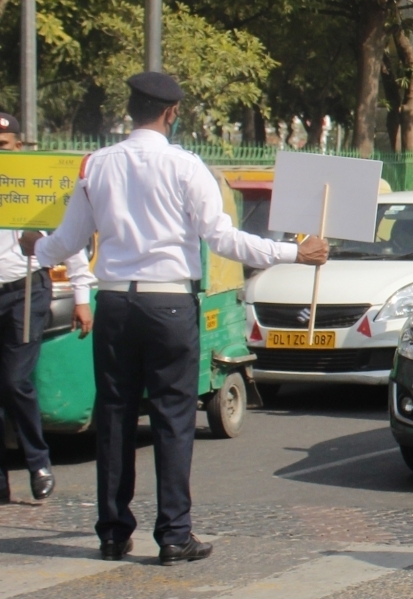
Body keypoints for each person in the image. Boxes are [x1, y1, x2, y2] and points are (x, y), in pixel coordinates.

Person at [19, 73, 328, 563]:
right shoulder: (186, 167)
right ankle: (173, 534)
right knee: (173, 419)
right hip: (169, 305)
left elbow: (67, 239)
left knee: (115, 417)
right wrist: (293, 251)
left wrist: (35, 247)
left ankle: (113, 531)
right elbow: (222, 239)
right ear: (170, 113)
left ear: (132, 109)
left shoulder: (96, 166)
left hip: (115, 304)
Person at [0, 110, 95, 505]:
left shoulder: (34, 189)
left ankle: (38, 460)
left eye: (4, 145)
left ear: (18, 146)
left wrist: (81, 298)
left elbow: (68, 240)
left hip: (25, 290)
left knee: (14, 381)